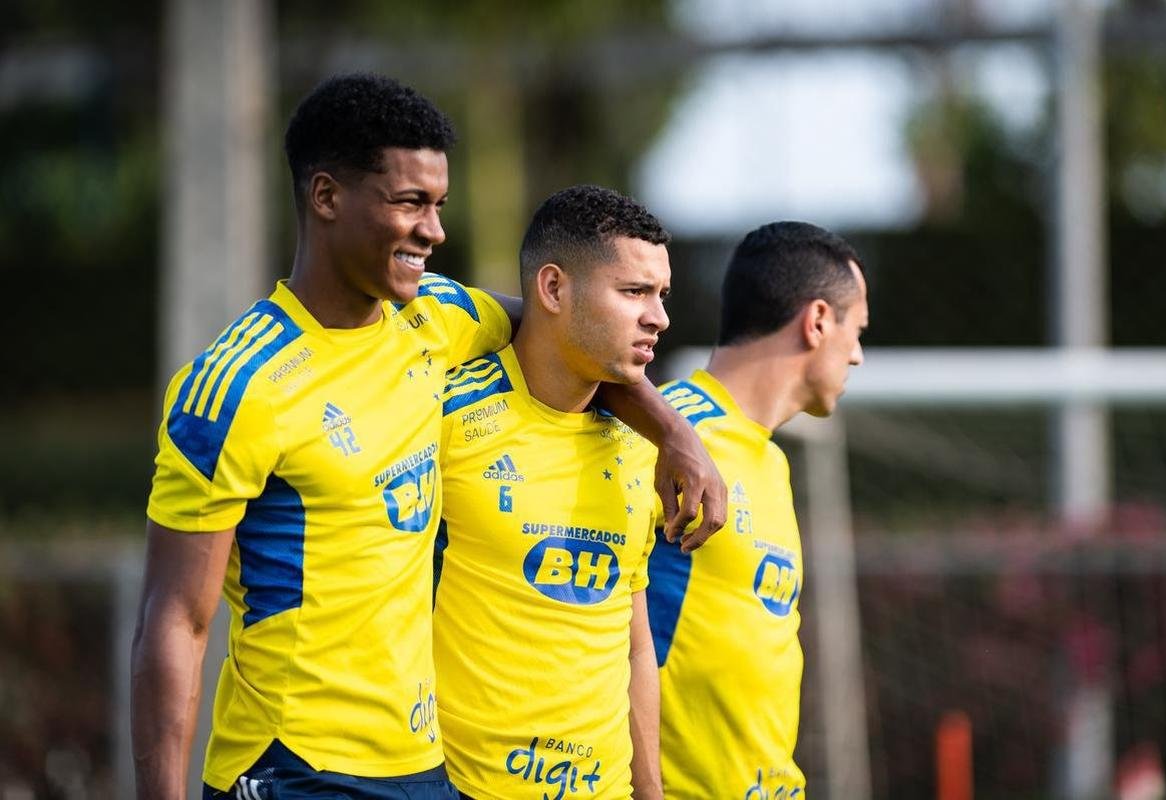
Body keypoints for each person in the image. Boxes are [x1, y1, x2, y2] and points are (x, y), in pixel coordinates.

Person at [131, 74, 724, 800]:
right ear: (326, 198)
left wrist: (674, 434)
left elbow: (569, 335)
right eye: (410, 202)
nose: (434, 231)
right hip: (297, 765)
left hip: (419, 767)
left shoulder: (436, 317)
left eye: (438, 205)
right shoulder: (236, 386)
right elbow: (175, 624)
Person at [433, 185, 671, 799]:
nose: (659, 317)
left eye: (661, 295)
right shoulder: (443, 415)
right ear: (554, 289)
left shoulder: (642, 447)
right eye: (634, 292)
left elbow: (635, 644)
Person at [646, 221, 869, 800]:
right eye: (857, 330)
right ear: (818, 321)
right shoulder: (666, 433)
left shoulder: (772, 464)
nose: (860, 356)